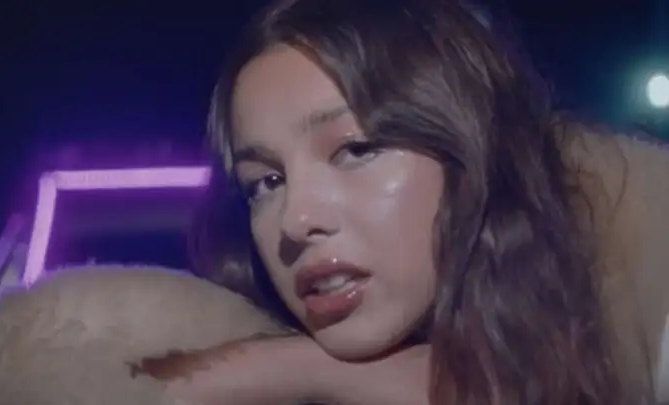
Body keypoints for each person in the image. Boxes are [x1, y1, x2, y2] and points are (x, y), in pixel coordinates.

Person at [167, 0, 634, 404]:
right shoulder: (193, 337)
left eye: (356, 150)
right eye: (266, 183)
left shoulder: (644, 315)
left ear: (472, 154)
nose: (295, 220)